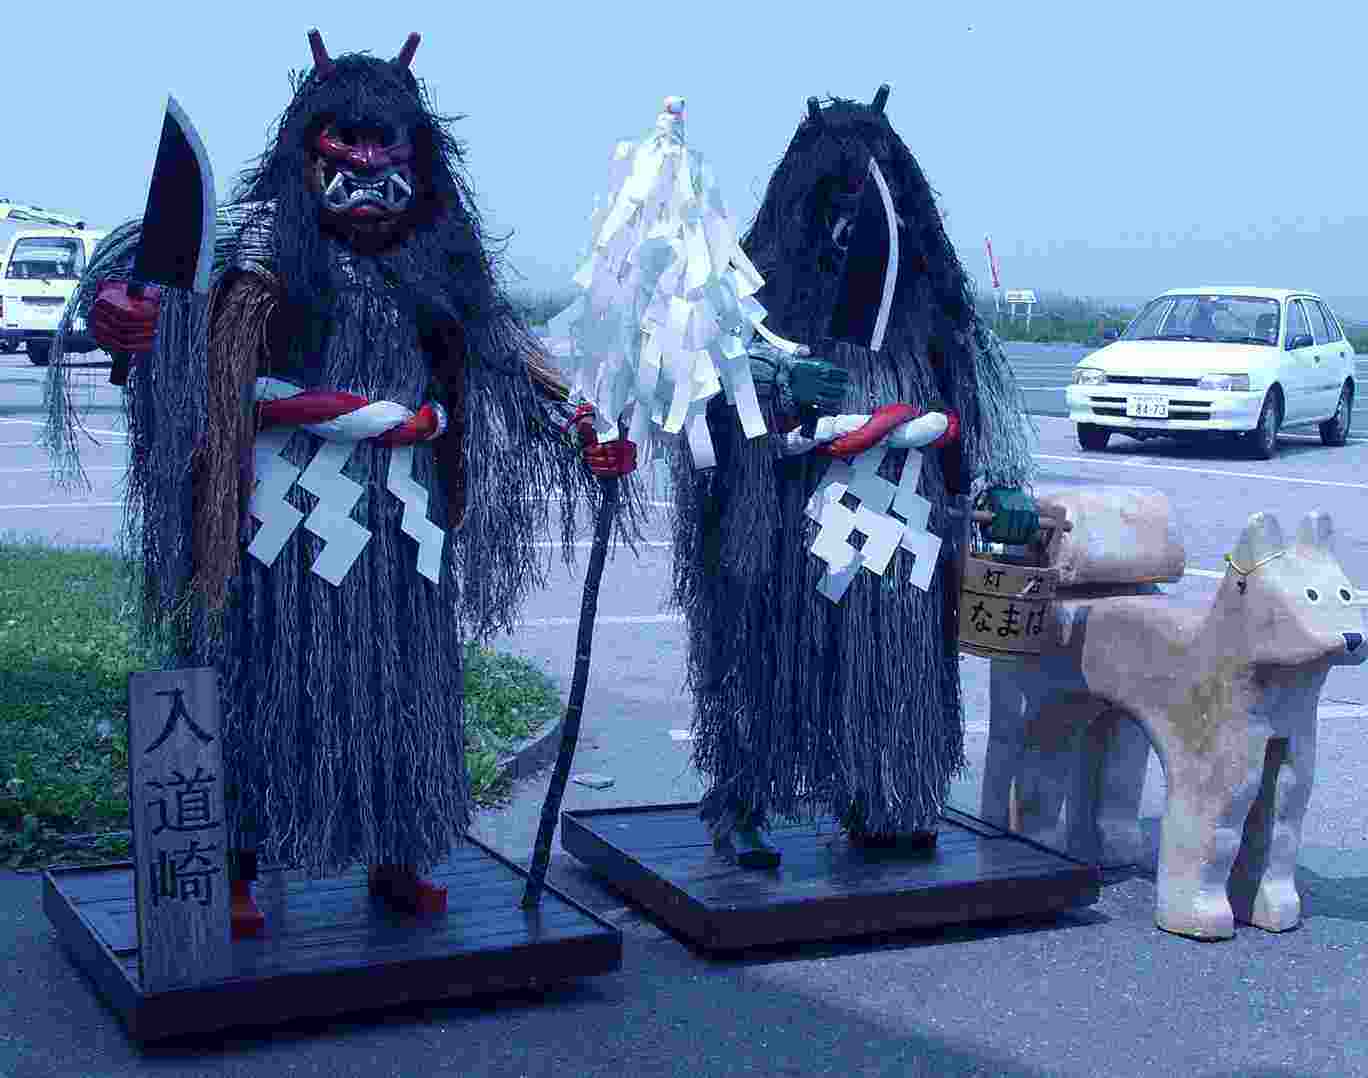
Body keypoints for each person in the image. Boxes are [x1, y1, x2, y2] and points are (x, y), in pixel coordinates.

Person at [49, 29, 639, 935]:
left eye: (384, 142)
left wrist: (581, 423)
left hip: (403, 516)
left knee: (401, 687)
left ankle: (397, 852)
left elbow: (506, 355)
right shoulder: (254, 239)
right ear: (309, 144)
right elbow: (140, 280)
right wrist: (119, 311)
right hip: (274, 509)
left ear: (415, 151)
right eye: (346, 140)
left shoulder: (440, 258)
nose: (366, 162)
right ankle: (238, 861)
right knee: (262, 681)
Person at [668, 88, 1038, 866]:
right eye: (835, 199)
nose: (852, 220)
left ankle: (889, 798)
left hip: (903, 514)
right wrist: (775, 382)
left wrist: (1004, 477)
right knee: (769, 659)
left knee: (895, 659)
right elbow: (702, 392)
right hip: (786, 519)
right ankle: (742, 800)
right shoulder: (756, 297)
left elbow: (980, 388)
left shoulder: (933, 306)